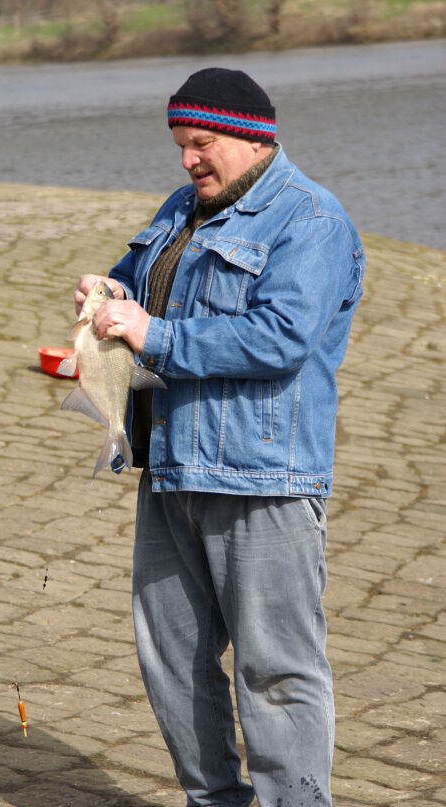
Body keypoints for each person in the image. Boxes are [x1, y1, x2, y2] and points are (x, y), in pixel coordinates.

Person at [75, 68, 365, 807]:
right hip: (170, 471)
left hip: (265, 478)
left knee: (276, 671)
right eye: (179, 144)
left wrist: (152, 333)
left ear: (253, 137)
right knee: (170, 661)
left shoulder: (313, 221)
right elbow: (134, 283)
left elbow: (279, 340)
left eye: (201, 143)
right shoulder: (182, 207)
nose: (187, 161)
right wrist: (106, 295)